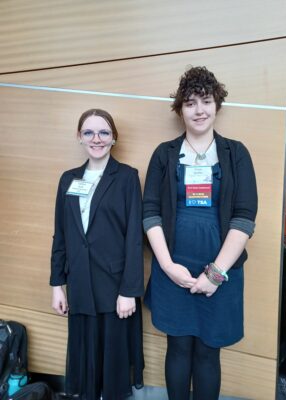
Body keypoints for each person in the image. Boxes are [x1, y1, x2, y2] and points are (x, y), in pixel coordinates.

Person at [143, 66, 258, 400]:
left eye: (205, 101)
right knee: (177, 348)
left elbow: (244, 217)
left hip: (221, 272)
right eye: (190, 103)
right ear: (180, 109)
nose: (199, 110)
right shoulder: (164, 154)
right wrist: (167, 267)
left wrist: (215, 273)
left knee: (209, 351)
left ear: (216, 105)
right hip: (173, 267)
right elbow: (150, 212)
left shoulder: (237, 154)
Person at [50, 109, 144, 400]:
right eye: (88, 132)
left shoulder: (127, 177)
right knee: (85, 368)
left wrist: (129, 290)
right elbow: (61, 234)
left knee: (113, 371)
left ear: (114, 138)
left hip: (114, 289)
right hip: (80, 286)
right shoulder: (68, 180)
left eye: (104, 132)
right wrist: (57, 285)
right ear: (79, 137)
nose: (97, 139)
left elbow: (134, 239)